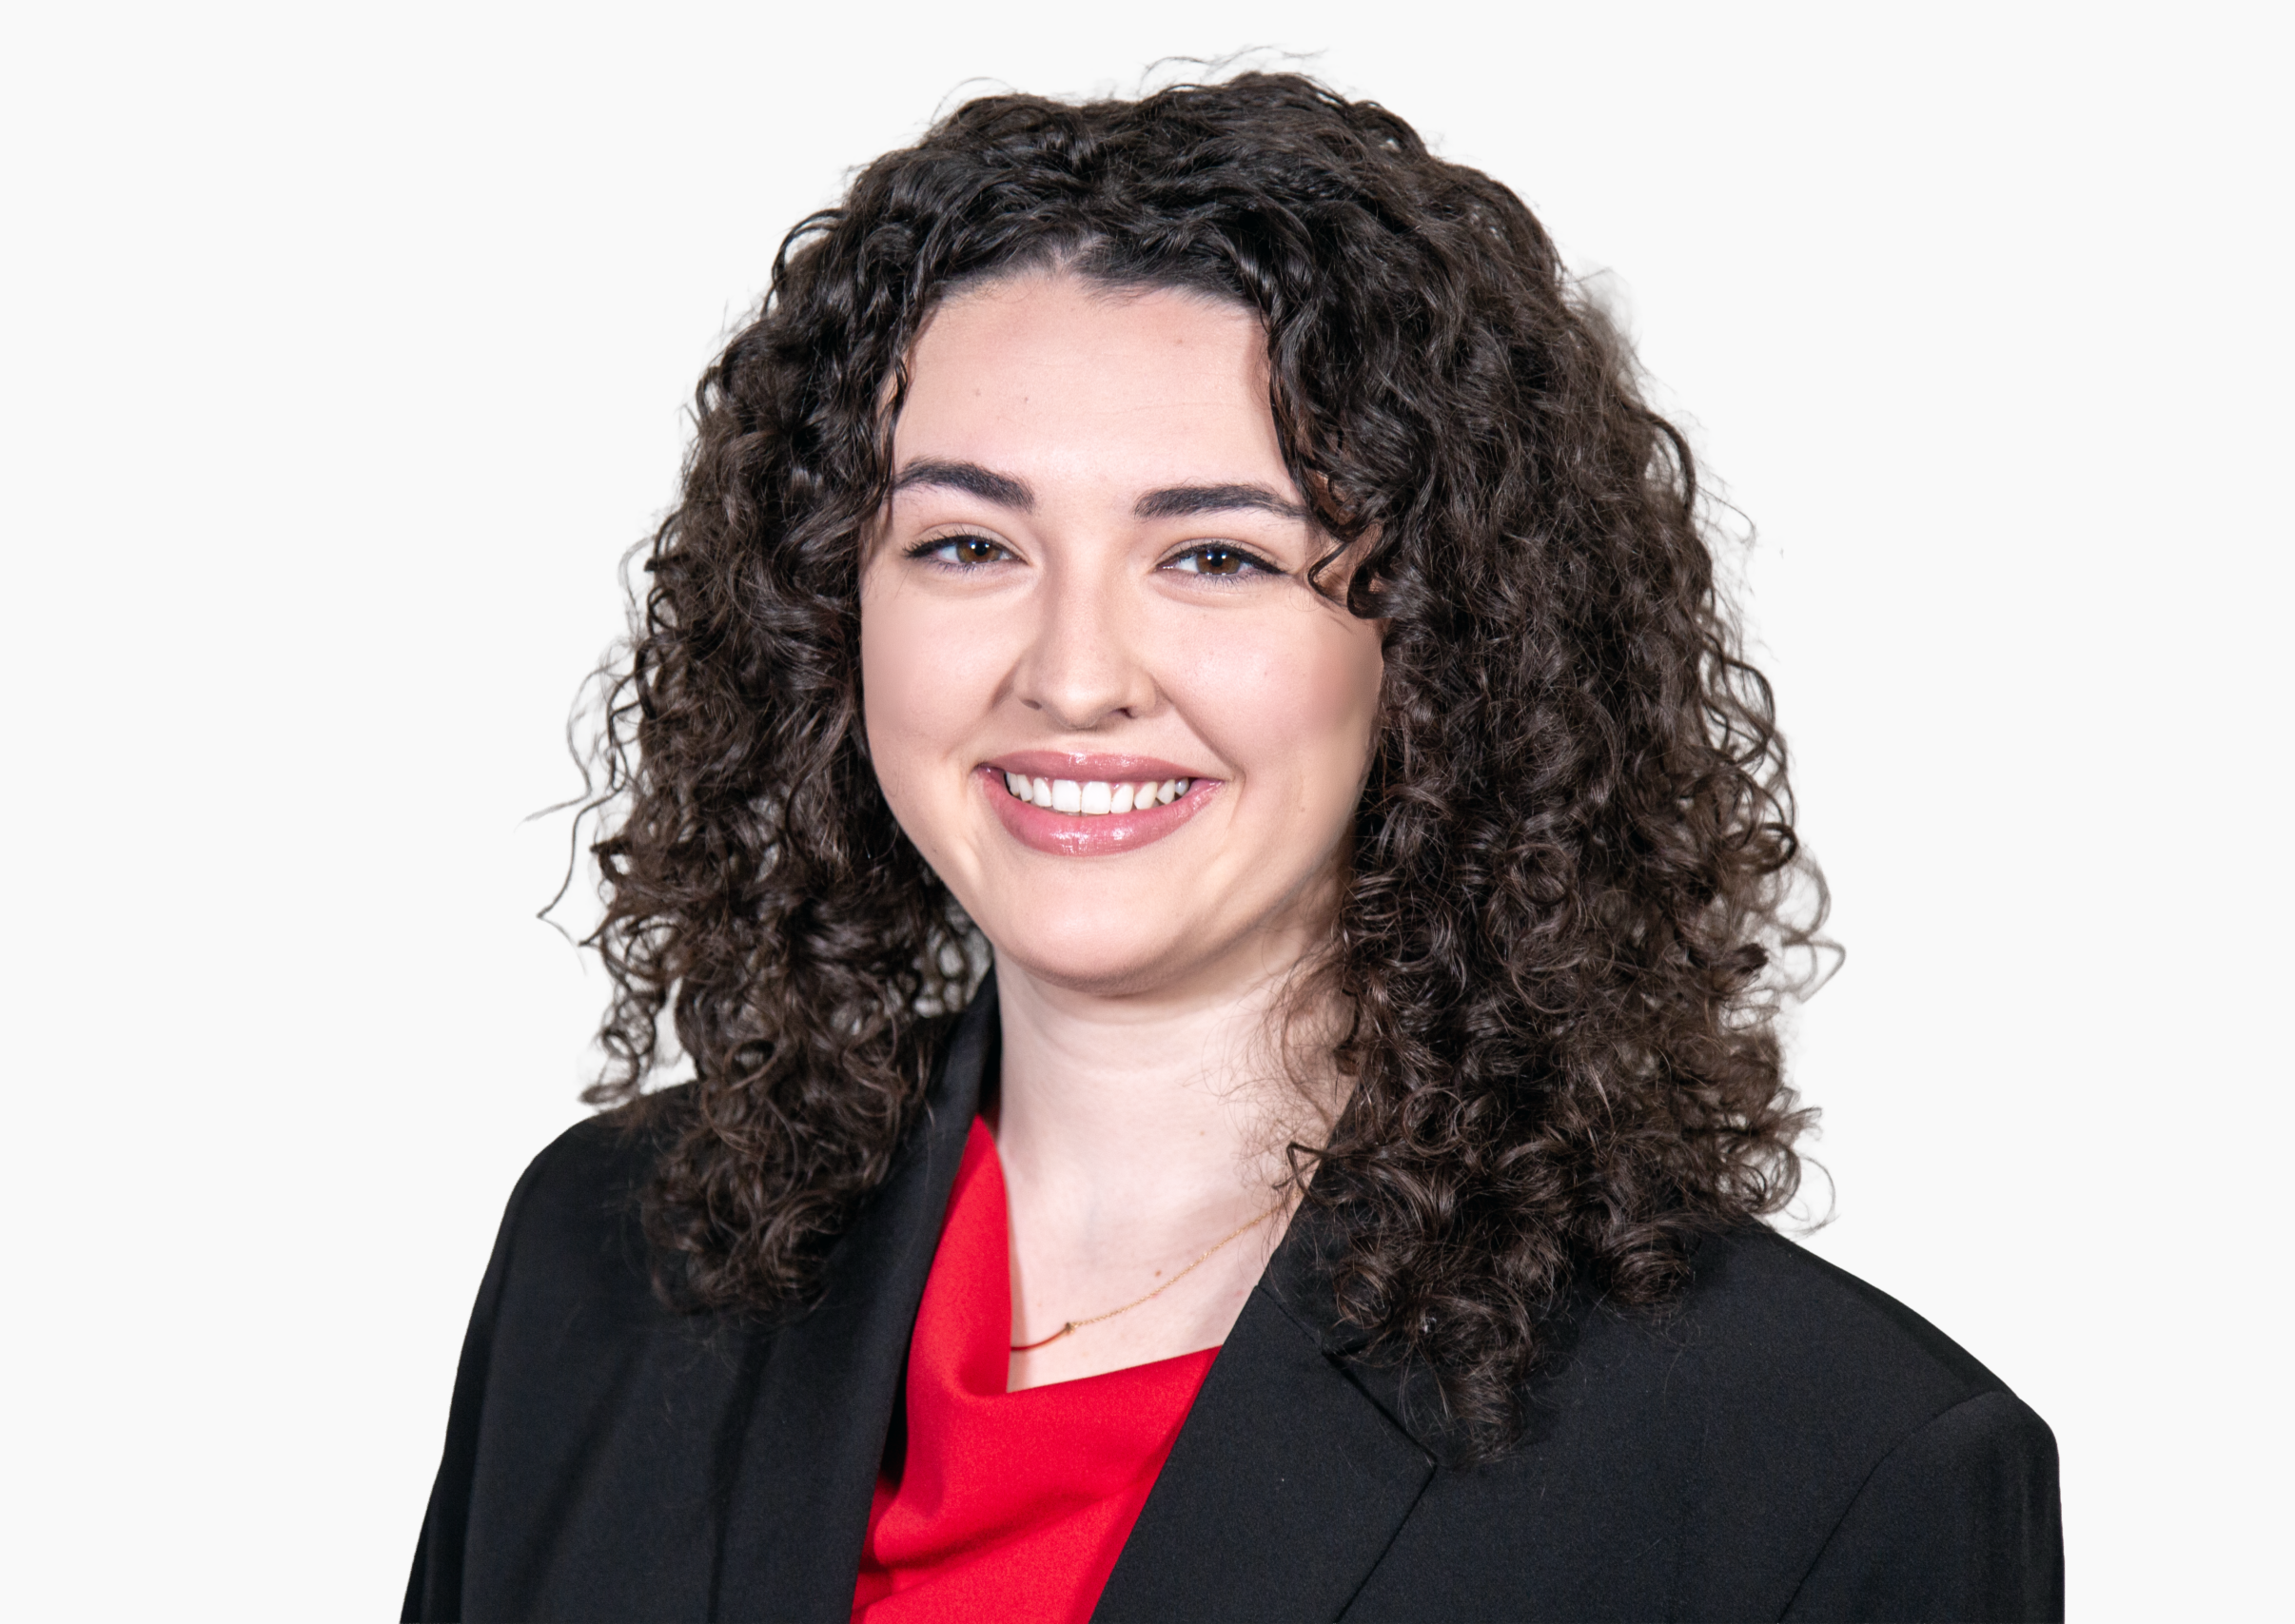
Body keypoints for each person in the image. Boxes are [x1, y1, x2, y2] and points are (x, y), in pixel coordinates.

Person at [404, 72, 2062, 1623]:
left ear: (1443, 649)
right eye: (968, 543)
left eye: (1217, 558)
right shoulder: (606, 1262)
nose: (1073, 677)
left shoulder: (1829, 1466)